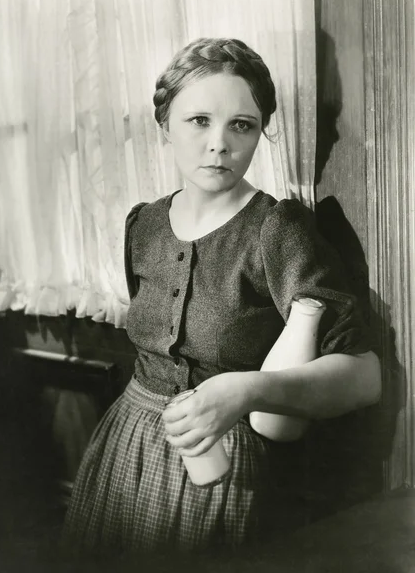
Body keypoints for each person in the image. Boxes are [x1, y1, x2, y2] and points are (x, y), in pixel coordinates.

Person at [61, 37, 381, 556]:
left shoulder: (278, 229)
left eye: (241, 124)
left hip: (230, 470)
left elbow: (364, 377)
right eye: (198, 121)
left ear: (259, 132)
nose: (219, 144)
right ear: (164, 125)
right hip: (128, 451)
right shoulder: (142, 225)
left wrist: (245, 392)